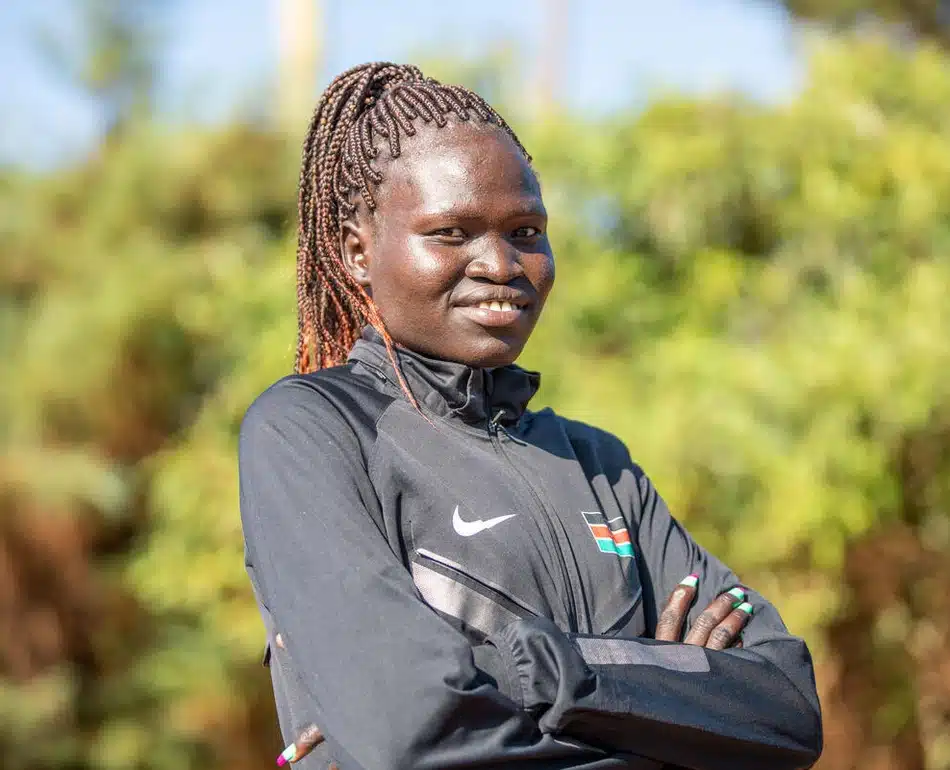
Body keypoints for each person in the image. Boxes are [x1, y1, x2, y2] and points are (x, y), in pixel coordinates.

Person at [239, 62, 822, 770]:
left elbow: (785, 710)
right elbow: (417, 738)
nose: (501, 264)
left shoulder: (598, 465)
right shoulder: (312, 431)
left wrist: (540, 670)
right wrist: (663, 710)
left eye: (525, 230)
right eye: (451, 232)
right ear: (357, 252)